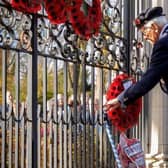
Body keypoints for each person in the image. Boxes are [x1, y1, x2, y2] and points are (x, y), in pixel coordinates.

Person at [104, 6, 168, 111]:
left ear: (154, 28)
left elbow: (148, 80)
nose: (145, 38)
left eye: (144, 32)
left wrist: (121, 99)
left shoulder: (162, 44)